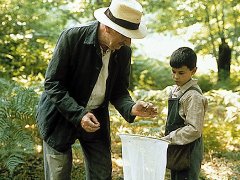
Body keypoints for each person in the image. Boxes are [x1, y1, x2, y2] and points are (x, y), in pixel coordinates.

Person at [36, 0, 158, 179]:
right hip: (59, 117)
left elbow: (119, 91)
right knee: (58, 174)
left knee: (102, 174)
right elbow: (53, 84)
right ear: (107, 27)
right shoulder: (72, 37)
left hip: (97, 119)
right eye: (125, 35)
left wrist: (131, 107)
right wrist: (79, 115)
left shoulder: (123, 51)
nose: (128, 42)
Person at [161, 47, 208, 180]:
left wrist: (170, 138)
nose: (176, 76)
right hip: (177, 149)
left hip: (189, 152)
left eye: (181, 73)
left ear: (193, 71)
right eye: (173, 72)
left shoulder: (193, 96)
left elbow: (194, 129)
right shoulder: (177, 91)